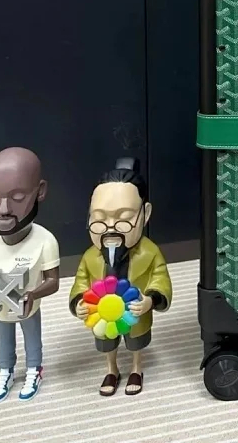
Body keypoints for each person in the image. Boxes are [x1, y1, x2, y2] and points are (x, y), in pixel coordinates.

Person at [69, 159, 172, 396]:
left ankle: (136, 367)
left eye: (124, 218)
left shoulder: (150, 252)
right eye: (99, 219)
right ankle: (111, 369)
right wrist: (79, 302)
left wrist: (151, 300)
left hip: (135, 310)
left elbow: (160, 278)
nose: (110, 227)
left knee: (136, 340)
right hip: (102, 313)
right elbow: (81, 281)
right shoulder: (90, 256)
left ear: (145, 214)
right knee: (106, 340)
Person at [0, 148, 60, 403]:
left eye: (18, 197)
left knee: (32, 337)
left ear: (40, 191)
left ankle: (34, 369)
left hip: (27, 307)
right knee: (3, 340)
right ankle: (5, 371)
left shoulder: (45, 241)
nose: (3, 209)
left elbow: (53, 281)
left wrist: (33, 294)